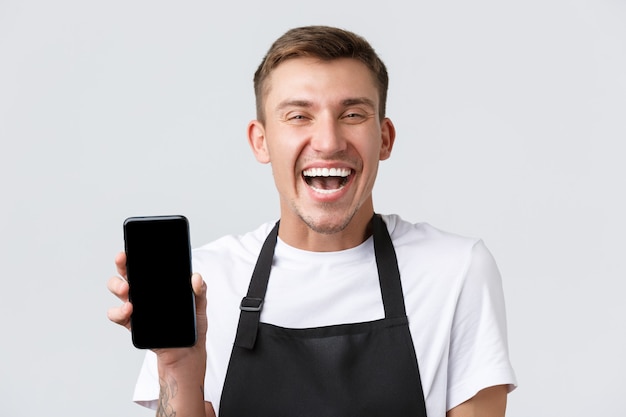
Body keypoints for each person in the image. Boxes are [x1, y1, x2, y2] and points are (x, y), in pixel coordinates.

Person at [108, 25, 517, 417]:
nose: (328, 141)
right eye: (299, 116)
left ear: (385, 138)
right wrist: (178, 365)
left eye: (353, 114)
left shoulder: (455, 270)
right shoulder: (207, 281)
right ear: (261, 140)